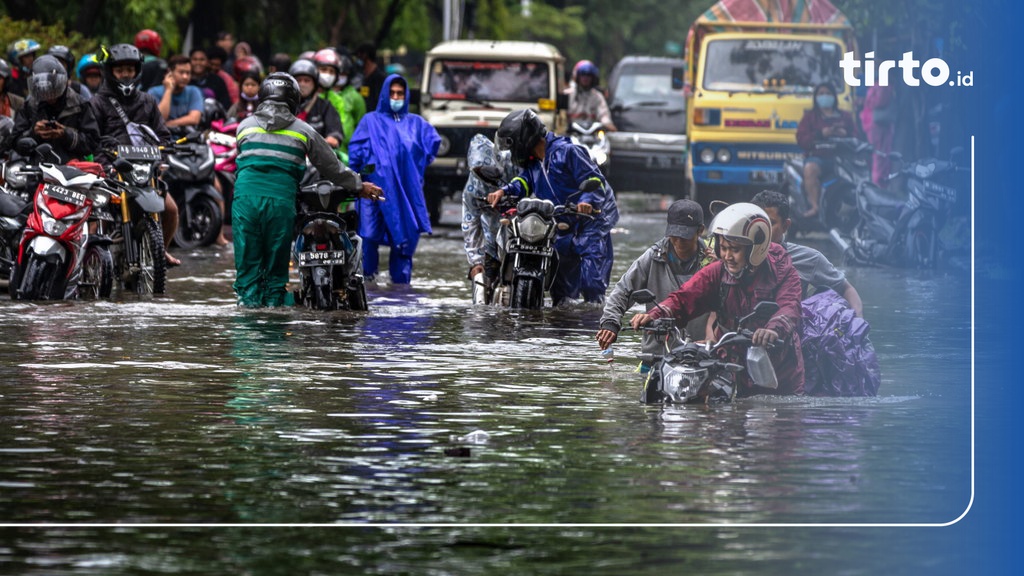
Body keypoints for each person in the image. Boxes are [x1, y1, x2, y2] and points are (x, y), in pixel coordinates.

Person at [232, 72, 382, 307]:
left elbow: (241, 163)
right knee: (275, 272)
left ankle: (247, 320)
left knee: (247, 267)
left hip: (244, 202)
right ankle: (272, 322)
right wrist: (359, 185)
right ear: (293, 99)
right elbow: (332, 167)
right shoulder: (303, 130)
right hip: (280, 202)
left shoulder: (243, 127)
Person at [630, 202, 804, 396]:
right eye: (724, 248)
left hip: (778, 372)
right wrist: (657, 314)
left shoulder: (783, 271)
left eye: (735, 249)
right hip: (730, 366)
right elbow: (685, 297)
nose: (727, 256)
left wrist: (772, 330)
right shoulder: (718, 272)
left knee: (778, 422)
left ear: (755, 249)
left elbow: (790, 308)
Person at [486, 108, 619, 305]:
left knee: (592, 283)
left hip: (593, 219)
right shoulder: (534, 164)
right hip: (562, 219)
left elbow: (594, 180)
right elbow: (524, 182)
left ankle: (594, 318)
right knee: (561, 287)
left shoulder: (568, 152)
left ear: (524, 138)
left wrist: (587, 202)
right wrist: (503, 192)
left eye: (512, 145)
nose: (512, 151)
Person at [93, 43, 181, 268]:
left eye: (130, 70)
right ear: (110, 71)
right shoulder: (97, 103)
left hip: (144, 172)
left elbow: (163, 135)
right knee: (93, 216)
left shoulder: (148, 101)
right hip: (111, 173)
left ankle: (161, 251)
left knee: (170, 210)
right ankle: (87, 257)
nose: (125, 74)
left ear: (137, 71)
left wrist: (162, 158)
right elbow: (91, 140)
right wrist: (105, 164)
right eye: (120, 70)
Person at [348, 74, 440, 285]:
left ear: (406, 95)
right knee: (368, 236)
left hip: (405, 193)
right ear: (384, 94)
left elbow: (433, 144)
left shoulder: (416, 124)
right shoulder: (370, 121)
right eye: (392, 93)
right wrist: (370, 169)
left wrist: (415, 168)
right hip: (374, 191)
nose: (396, 97)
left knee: (404, 240)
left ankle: (400, 292)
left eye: (400, 93)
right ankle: (367, 285)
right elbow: (356, 155)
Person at [597, 199, 711, 358]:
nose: (678, 242)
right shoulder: (654, 257)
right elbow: (623, 290)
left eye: (684, 236)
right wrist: (610, 323)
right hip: (657, 354)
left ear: (700, 231)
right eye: (674, 235)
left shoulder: (714, 261)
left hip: (703, 354)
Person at [750, 190, 863, 316]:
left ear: (785, 226)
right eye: (758, 223)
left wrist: (858, 323)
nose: (763, 229)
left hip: (788, 328)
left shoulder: (808, 259)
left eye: (770, 223)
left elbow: (845, 288)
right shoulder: (734, 254)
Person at [12, 55, 100, 164]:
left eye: (53, 90)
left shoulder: (80, 104)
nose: (49, 96)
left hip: (73, 170)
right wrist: (34, 133)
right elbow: (15, 142)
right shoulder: (29, 105)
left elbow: (93, 143)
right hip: (38, 169)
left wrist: (65, 134)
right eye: (43, 92)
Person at [461, 133, 518, 293]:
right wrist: (475, 262)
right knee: (487, 279)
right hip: (491, 238)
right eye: (480, 172)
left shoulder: (514, 167)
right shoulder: (473, 188)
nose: (486, 177)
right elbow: (470, 224)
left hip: (519, 232)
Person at [796, 83, 857, 218]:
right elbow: (801, 139)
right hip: (817, 158)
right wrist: (821, 134)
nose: (825, 96)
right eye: (821, 94)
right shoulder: (810, 117)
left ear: (834, 97)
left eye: (828, 93)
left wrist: (844, 134)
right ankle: (814, 206)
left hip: (841, 159)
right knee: (810, 169)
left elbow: (856, 138)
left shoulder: (844, 117)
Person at [312, 48, 363, 157]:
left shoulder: (336, 100)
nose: (327, 75)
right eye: (324, 69)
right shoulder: (302, 97)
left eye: (331, 72)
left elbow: (338, 130)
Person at [287, 59, 344, 149]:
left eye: (307, 80)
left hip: (315, 158)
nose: (302, 84)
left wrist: (331, 139)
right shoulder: (283, 105)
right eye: (299, 80)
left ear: (315, 84)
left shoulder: (325, 106)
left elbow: (335, 133)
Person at [148, 55, 203, 130]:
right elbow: (159, 119)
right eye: (181, 72)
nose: (185, 77)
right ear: (169, 73)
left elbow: (194, 118)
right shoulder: (154, 92)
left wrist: (170, 124)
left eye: (188, 73)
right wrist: (168, 90)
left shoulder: (194, 91)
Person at [860, 83, 897, 187]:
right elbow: (879, 101)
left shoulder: (874, 87)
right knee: (881, 156)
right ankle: (879, 183)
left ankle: (879, 181)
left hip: (871, 124)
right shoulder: (882, 86)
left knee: (878, 156)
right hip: (878, 126)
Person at [566, 60, 616, 131]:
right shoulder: (568, 95)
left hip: (592, 135)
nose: (585, 78)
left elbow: (604, 114)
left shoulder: (597, 96)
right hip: (570, 134)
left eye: (589, 75)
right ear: (578, 77)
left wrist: (608, 124)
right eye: (583, 74)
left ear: (593, 78)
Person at [354, 43, 387, 111]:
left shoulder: (380, 79)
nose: (357, 60)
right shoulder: (362, 78)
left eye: (359, 56)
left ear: (365, 56)